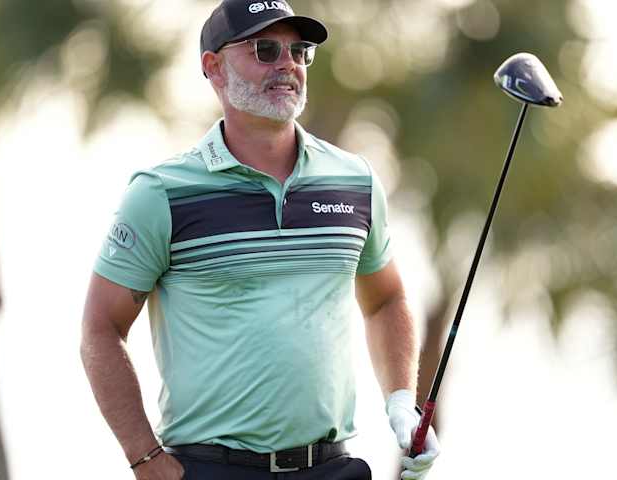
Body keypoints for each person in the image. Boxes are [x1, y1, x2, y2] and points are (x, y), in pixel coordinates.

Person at [80, 0, 440, 478]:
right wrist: (146, 460)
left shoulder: (354, 180)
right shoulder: (162, 193)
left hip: (332, 468)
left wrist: (401, 403)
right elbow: (100, 331)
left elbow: (386, 300)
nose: (287, 64)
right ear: (214, 67)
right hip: (211, 469)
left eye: (299, 51)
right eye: (264, 49)